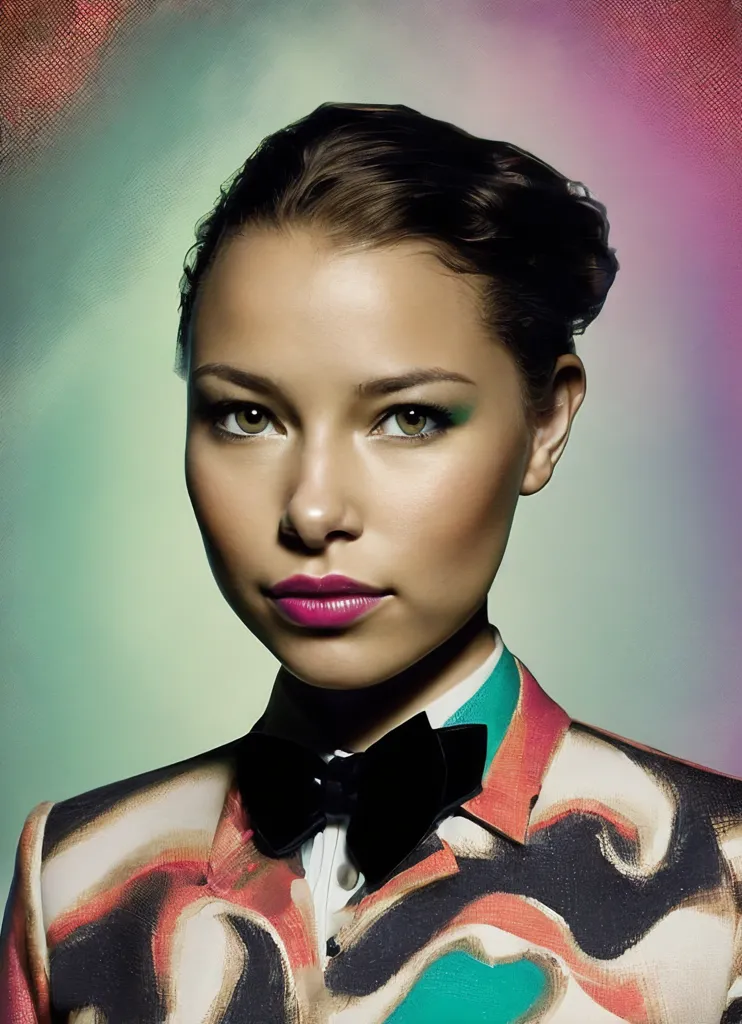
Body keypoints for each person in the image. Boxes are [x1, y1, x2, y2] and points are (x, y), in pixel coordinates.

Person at [1, 101, 741, 1024]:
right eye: (248, 416)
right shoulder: (73, 882)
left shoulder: (724, 884)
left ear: (546, 422)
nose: (313, 509)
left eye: (409, 418)